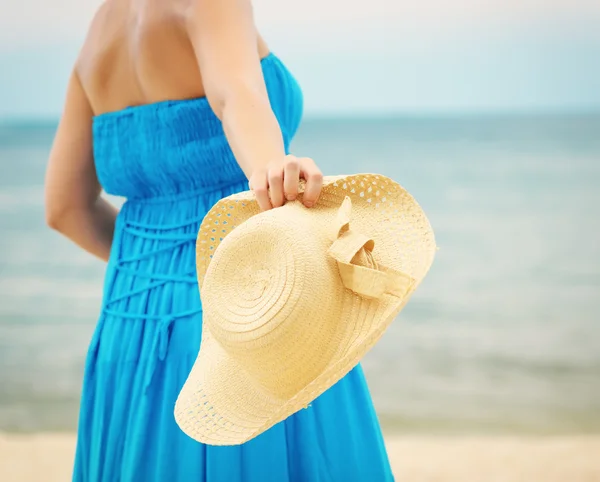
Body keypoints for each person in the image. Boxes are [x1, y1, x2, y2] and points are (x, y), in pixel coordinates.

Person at [44, 0, 394, 480]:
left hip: (128, 329)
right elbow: (235, 97)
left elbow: (65, 208)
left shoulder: (100, 30)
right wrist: (270, 170)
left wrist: (164, 267)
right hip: (246, 316)